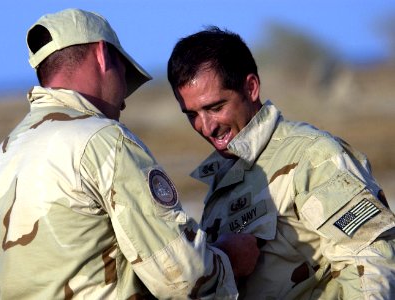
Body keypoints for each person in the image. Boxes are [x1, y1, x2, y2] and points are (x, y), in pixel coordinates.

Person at [0, 9, 260, 300]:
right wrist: (229, 258)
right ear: (102, 55)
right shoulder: (103, 140)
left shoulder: (0, 160)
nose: (123, 100)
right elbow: (182, 277)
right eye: (125, 74)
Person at [167, 26, 395, 299]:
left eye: (216, 108)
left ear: (251, 88)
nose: (206, 127)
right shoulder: (223, 179)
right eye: (191, 114)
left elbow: (370, 262)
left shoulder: (313, 155)